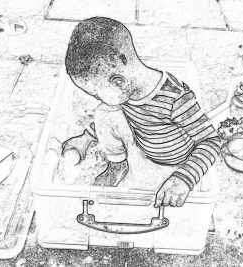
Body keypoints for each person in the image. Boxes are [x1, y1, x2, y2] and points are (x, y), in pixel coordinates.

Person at [63, 17, 221, 207]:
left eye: (96, 94)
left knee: (108, 107)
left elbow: (211, 141)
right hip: (143, 145)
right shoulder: (126, 91)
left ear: (118, 82)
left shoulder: (176, 98)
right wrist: (86, 138)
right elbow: (112, 118)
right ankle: (117, 166)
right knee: (105, 111)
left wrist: (184, 178)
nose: (98, 98)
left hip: (178, 162)